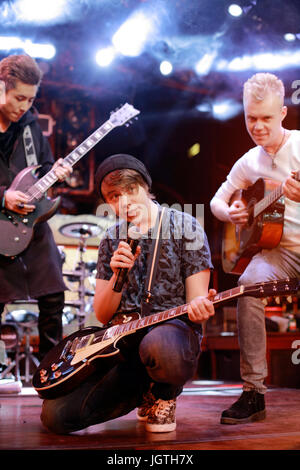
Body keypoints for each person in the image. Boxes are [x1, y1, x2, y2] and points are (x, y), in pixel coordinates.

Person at [40, 153, 215, 434]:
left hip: (170, 337)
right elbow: (103, 313)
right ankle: (140, 390)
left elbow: (197, 301)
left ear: (145, 187)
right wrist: (117, 277)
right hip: (120, 345)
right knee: (55, 417)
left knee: (160, 347)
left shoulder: (186, 227)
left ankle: (164, 393)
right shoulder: (111, 238)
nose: (124, 202)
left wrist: (201, 307)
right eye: (113, 196)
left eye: (131, 190)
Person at [210, 72, 300, 424]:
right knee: (247, 288)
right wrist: (232, 212)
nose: (258, 126)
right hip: (279, 252)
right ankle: (253, 394)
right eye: (251, 118)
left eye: (266, 117)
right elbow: (217, 202)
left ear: (282, 114)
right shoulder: (249, 162)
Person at [0, 54, 72, 366]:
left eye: (30, 99)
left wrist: (55, 174)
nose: (25, 106)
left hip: (31, 222)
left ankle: (49, 372)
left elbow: (42, 174)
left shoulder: (31, 127)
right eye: (19, 98)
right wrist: (3, 197)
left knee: (54, 294)